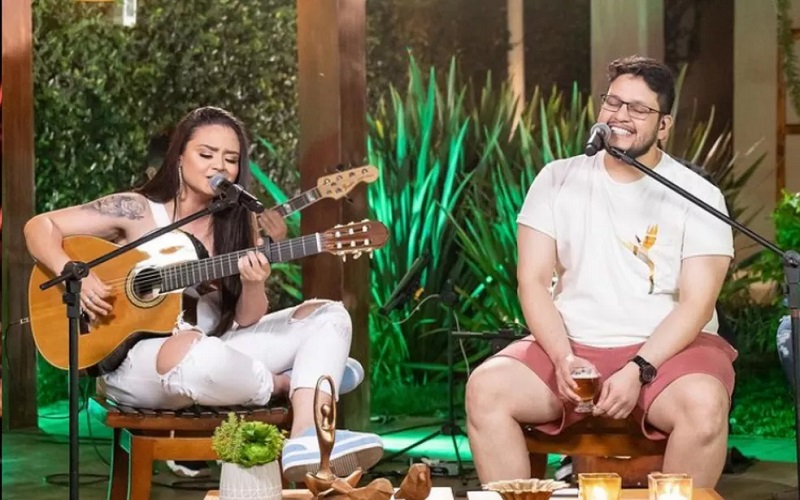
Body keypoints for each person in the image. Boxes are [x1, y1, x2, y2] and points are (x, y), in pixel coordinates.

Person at [23, 106, 383, 482]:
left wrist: (255, 282)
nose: (219, 167)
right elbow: (40, 226)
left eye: (230, 159)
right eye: (206, 154)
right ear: (179, 156)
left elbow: (246, 319)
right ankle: (289, 382)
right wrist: (73, 270)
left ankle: (306, 437)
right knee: (193, 352)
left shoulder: (240, 222)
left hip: (218, 347)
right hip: (139, 361)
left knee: (328, 315)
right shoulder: (136, 208)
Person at [465, 56, 737, 489]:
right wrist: (562, 358)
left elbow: (697, 305)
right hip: (571, 347)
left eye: (638, 109)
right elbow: (532, 281)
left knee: (703, 404)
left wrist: (638, 369)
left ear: (664, 125)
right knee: (486, 388)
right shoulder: (557, 179)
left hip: (667, 354)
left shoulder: (698, 195)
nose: (620, 116)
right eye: (613, 102)